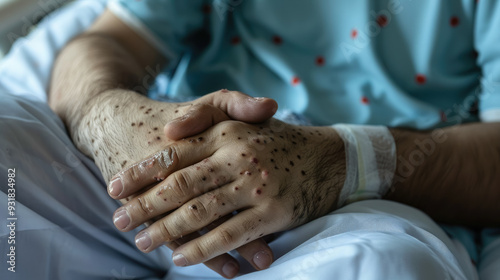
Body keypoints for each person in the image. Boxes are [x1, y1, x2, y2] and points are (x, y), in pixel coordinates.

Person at [1, 0, 499, 279]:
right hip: (153, 170)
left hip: (358, 202)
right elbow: (104, 41)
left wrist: (342, 161)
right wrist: (109, 116)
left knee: (383, 270)